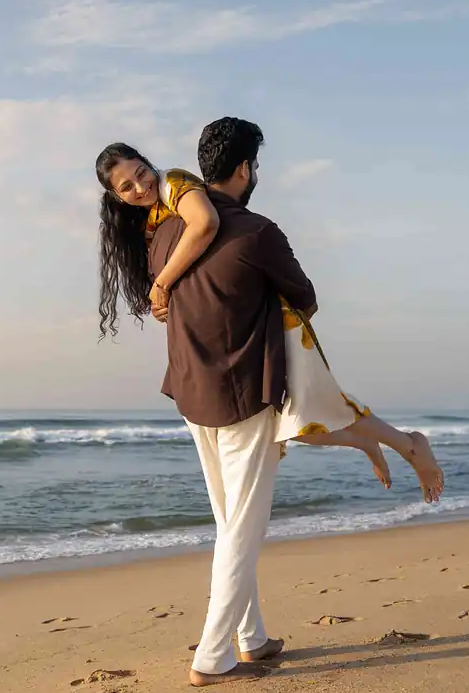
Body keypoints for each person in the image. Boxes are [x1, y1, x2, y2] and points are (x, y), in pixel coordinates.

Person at [93, 117, 441, 688]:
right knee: (242, 530)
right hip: (241, 394)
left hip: (190, 392)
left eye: (139, 176)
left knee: (229, 522)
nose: (138, 188)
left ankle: (251, 639)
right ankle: (212, 657)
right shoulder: (254, 231)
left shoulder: (162, 233)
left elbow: (175, 306)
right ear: (246, 168)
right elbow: (305, 300)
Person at [94, 139, 444, 496]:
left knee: (318, 406)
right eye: (127, 187)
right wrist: (165, 303)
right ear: (116, 197)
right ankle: (375, 442)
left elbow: (205, 223)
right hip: (239, 335)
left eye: (141, 173)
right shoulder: (153, 220)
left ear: (148, 163)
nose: (141, 186)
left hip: (270, 324)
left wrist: (163, 284)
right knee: (299, 421)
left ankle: (408, 444)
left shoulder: (175, 183)